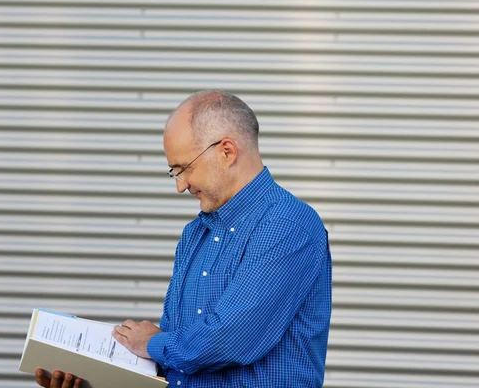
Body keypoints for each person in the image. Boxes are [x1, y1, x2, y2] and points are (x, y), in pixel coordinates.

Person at [35, 90, 332, 387]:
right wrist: (95, 377)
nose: (180, 186)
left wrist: (152, 343)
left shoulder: (288, 226)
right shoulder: (195, 235)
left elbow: (229, 339)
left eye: (184, 168)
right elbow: (179, 367)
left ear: (226, 151)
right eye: (173, 172)